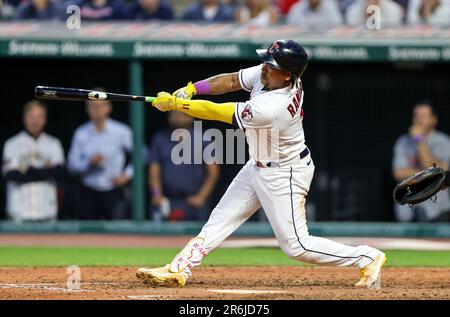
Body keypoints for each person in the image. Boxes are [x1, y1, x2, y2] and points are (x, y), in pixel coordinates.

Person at [136, 39, 387, 288]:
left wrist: (178, 104)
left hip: (284, 173)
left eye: (271, 65)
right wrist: (191, 89)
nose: (264, 68)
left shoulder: (274, 107)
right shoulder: (272, 74)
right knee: (220, 219)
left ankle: (367, 256)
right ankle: (179, 268)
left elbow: (218, 112)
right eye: (266, 62)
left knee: (297, 247)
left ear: (288, 75)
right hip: (257, 164)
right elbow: (232, 80)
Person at [68, 92, 133, 220]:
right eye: (93, 105)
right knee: (87, 236)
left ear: (109, 107)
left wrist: (126, 175)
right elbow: (72, 165)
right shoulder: (80, 133)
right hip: (88, 191)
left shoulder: (121, 131)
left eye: (101, 105)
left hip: (114, 190)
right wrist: (88, 163)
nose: (97, 109)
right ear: (87, 109)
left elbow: (141, 155)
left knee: (118, 235)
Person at [148, 111, 220, 221]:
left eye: (181, 114)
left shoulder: (203, 139)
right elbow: (154, 171)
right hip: (167, 200)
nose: (176, 117)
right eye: (173, 113)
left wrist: (201, 196)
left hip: (193, 200)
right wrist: (157, 194)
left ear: (190, 116)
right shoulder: (160, 139)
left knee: (199, 236)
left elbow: (213, 172)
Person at [2, 100, 65, 222]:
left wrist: (28, 170)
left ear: (45, 119)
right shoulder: (12, 144)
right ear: (24, 118)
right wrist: (45, 171)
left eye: (39, 116)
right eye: (31, 116)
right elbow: (12, 175)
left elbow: (59, 172)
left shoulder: (53, 144)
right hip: (18, 214)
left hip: (47, 213)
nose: (35, 121)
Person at [392, 102, 450, 222]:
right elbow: (398, 173)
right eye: (416, 115)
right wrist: (426, 175)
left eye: (423, 116)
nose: (419, 120)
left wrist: (420, 140)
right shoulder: (403, 141)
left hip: (436, 210)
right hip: (408, 208)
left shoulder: (443, 141)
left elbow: (440, 172)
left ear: (433, 120)